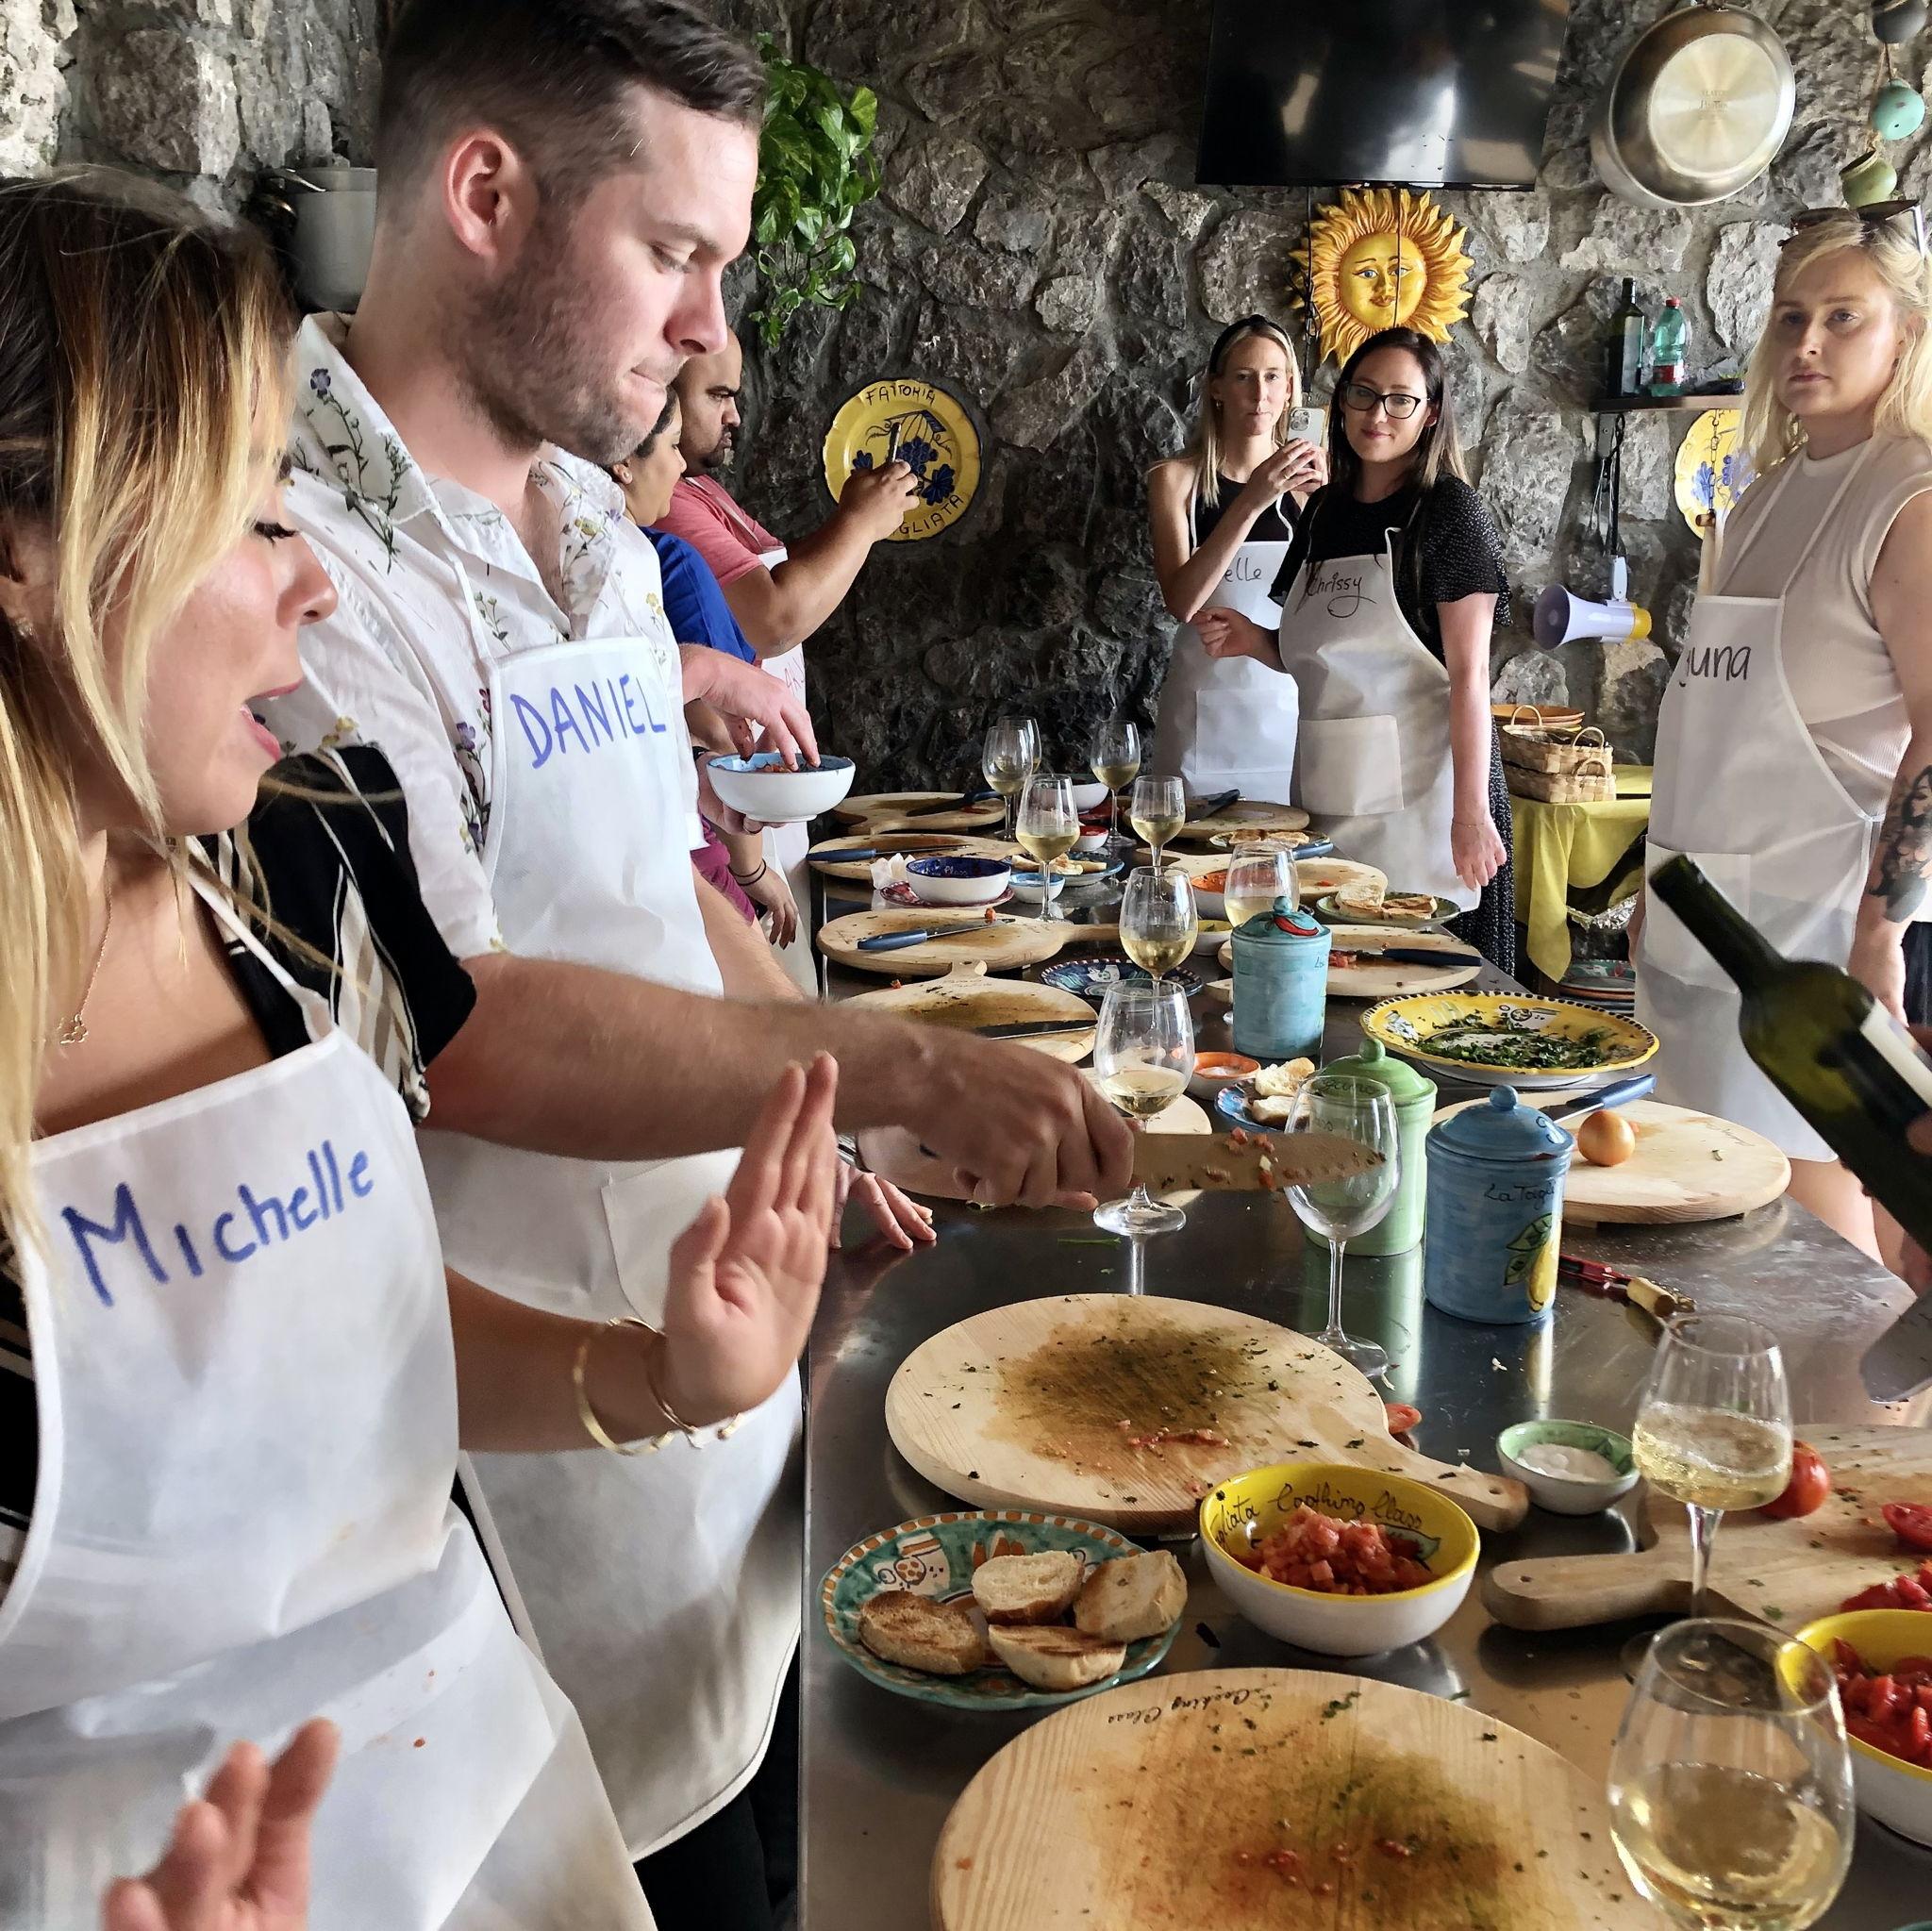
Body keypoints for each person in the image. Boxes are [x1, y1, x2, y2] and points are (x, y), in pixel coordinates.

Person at [262, 5, 1129, 1925]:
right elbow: (466, 1029)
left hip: (724, 1406)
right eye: (676, 256)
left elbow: (670, 900)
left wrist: (835, 1113)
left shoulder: (579, 510)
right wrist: (899, 1068)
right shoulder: (298, 558)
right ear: (484, 194)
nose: (708, 336)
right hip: (528, 1453)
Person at [0, 166, 842, 1930]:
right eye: (250, 518)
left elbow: (360, 1340)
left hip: (479, 1798)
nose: (311, 584)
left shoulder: (301, 856)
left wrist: (661, 1376)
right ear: (31, 556)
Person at [1636, 204, 1932, 1260]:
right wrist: (1652, 891)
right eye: (1788, 317)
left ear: (1901, 329)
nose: (1804, 343)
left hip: (1815, 944)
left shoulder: (1907, 496)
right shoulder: (1758, 496)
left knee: (1811, 1253)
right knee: (1704, 1223)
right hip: (1699, 930)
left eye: (1841, 317)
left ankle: (1852, 1431)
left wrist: (1877, 936)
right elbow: (1708, 729)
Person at [1198, 326, 1517, 974]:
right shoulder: (1323, 513)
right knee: (1337, 978)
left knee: (1423, 990)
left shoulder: (1449, 512)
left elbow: (1469, 677)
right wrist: (1250, 640)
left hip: (1427, 810)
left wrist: (1470, 817)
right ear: (1339, 403)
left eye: (1401, 399)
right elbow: (1320, 653)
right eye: (1364, 394)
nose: (1378, 414)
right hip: (1327, 798)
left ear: (1430, 415)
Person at [656, 327, 918, 992]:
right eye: (717, 394)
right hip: (733, 827)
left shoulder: (701, 490)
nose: (735, 414)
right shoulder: (672, 508)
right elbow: (772, 619)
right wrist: (860, 524)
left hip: (758, 821)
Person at [613, 391, 797, 947]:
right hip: (696, 856)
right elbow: (726, 730)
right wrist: (752, 870)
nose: (678, 466)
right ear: (622, 464)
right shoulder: (668, 561)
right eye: (671, 446)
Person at [1146, 314, 1324, 800]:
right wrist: (1251, 500)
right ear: (1218, 388)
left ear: (1290, 390)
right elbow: (1182, 602)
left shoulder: (1315, 489)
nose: (1259, 393)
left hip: (1290, 706)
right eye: (1244, 377)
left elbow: (1340, 603)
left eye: (1272, 378)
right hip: (1202, 715)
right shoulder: (1175, 480)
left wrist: (1330, 505)